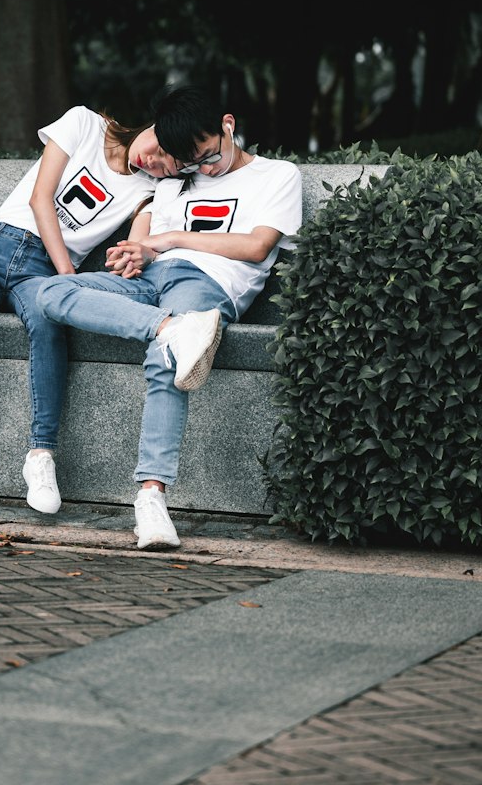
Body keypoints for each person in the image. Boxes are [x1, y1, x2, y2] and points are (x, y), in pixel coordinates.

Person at [36, 85, 302, 550]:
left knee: (166, 359)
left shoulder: (277, 175)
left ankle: (151, 498)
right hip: (151, 283)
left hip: (207, 283)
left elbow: (257, 246)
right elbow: (145, 239)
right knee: (52, 291)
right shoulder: (174, 179)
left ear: (228, 124)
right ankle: (172, 328)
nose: (202, 169)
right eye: (190, 163)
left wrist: (170, 239)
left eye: (207, 157)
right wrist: (134, 253)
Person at [0, 103, 178, 521]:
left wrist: (135, 257)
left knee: (48, 327)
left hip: (39, 272)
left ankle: (41, 457)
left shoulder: (147, 188)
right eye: (159, 148)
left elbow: (137, 240)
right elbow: (41, 199)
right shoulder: (84, 124)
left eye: (168, 165)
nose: (155, 161)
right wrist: (66, 278)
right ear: (153, 124)